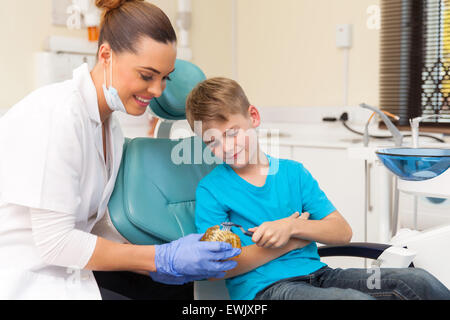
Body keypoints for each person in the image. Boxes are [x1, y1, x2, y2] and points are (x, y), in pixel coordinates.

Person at [0, 0, 240, 300]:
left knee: (175, 292)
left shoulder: (110, 128)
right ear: (106, 55)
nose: (157, 91)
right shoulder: (57, 116)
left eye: (165, 78)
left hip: (73, 271)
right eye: (146, 75)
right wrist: (159, 257)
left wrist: (161, 263)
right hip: (28, 277)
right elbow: (56, 243)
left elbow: (92, 229)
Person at [185, 77, 450, 300]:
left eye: (232, 133)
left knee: (418, 282)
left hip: (320, 276)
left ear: (253, 116)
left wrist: (291, 227)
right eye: (212, 142)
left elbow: (341, 231)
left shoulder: (293, 173)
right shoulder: (212, 190)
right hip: (267, 290)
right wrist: (287, 245)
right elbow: (216, 269)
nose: (226, 148)